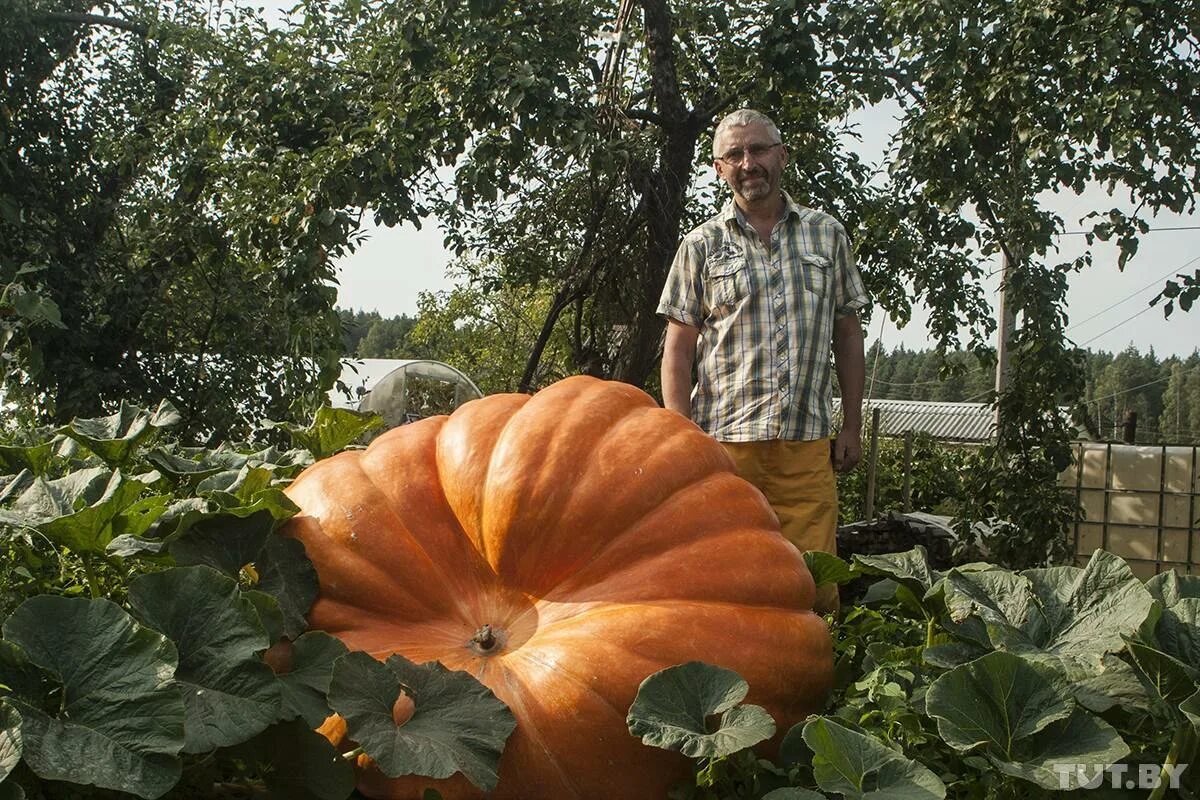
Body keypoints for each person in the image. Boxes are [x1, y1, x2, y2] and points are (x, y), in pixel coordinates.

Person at [656, 108, 868, 615]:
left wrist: (853, 426)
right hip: (725, 448)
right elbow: (679, 347)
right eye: (735, 154)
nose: (748, 162)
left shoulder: (827, 235)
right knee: (724, 582)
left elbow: (848, 333)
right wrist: (679, 435)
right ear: (719, 168)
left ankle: (819, 690)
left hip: (806, 445)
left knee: (814, 586)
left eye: (758, 149)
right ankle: (726, 690)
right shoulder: (701, 245)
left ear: (782, 156)